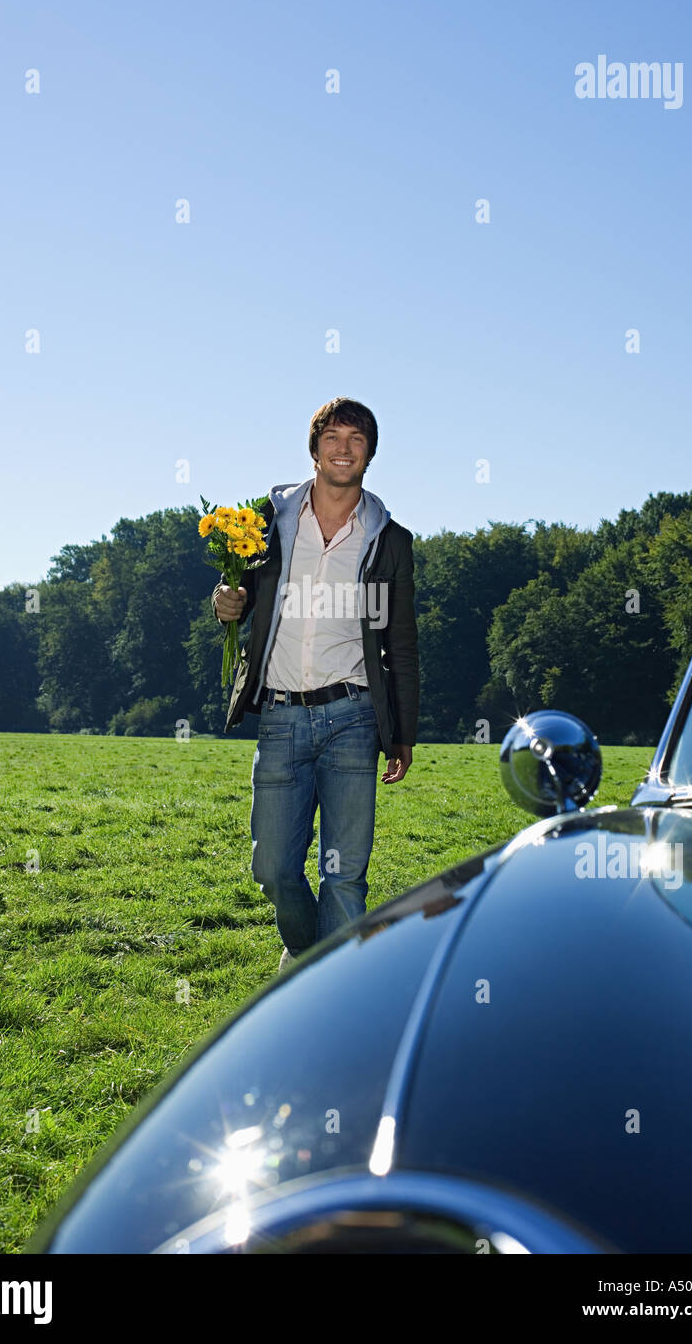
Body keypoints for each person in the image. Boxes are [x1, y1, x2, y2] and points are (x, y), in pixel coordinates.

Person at [212, 396, 419, 971]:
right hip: (280, 714)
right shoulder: (267, 522)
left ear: (370, 453)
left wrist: (401, 732)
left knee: (344, 874)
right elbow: (239, 594)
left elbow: (400, 643)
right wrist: (225, 605)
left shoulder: (389, 540)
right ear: (314, 448)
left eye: (357, 439)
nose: (344, 448)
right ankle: (305, 953)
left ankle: (335, 996)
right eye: (333, 437)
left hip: (353, 715)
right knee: (274, 868)